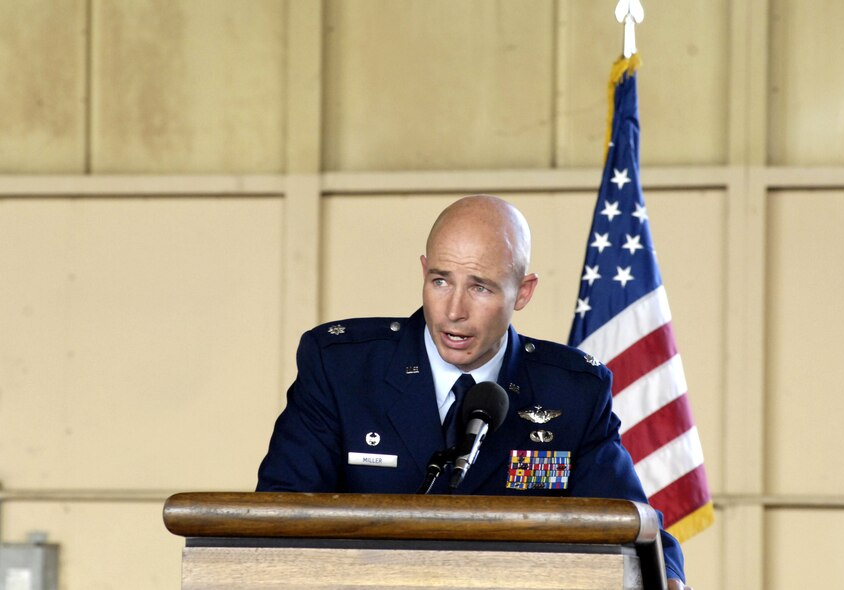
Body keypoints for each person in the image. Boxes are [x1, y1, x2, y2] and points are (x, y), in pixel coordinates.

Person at [257, 195, 693, 589]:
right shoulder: (342, 367)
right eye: (441, 281)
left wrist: (668, 577)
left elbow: (626, 520)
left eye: (480, 287)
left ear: (522, 292)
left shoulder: (572, 391)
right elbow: (278, 514)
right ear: (424, 271)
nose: (453, 311)